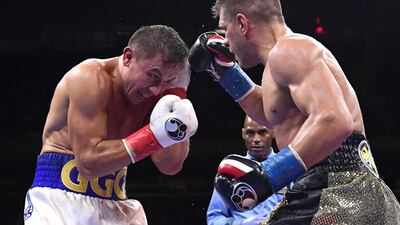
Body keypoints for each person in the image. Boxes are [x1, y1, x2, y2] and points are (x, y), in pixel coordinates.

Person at [189, 0, 400, 224]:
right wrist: (223, 71)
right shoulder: (282, 60)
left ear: (242, 23)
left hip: (338, 192)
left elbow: (335, 120)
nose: (225, 41)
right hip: (347, 193)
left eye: (225, 29)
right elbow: (270, 113)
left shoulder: (289, 50)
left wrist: (267, 176)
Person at [23, 25, 198, 225]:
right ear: (128, 57)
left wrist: (176, 95)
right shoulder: (89, 78)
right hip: (60, 200)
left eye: (166, 81)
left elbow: (170, 165)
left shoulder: (156, 94)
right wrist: (153, 136)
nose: (155, 89)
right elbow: (89, 164)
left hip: (116, 203)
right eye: (153, 75)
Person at [207, 116, 283, 225]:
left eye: (262, 132)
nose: (256, 139)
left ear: (273, 132)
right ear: (243, 134)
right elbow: (214, 217)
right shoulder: (230, 171)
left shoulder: (286, 168)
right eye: (250, 133)